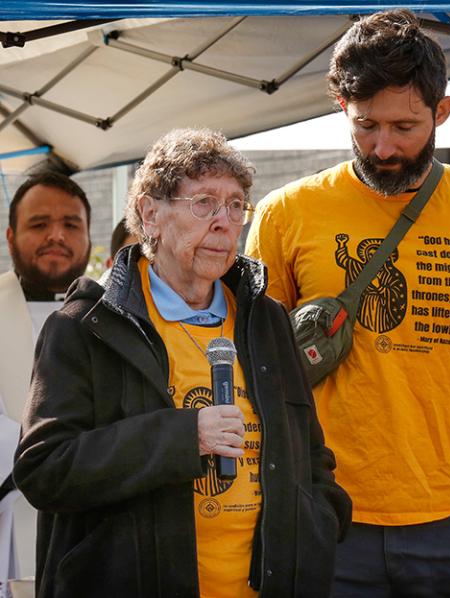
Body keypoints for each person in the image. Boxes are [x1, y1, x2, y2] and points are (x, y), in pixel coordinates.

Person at [13, 128, 351, 598]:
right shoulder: (85, 326)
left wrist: (317, 524)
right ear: (151, 213)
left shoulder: (266, 319)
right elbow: (45, 469)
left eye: (236, 206)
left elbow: (310, 454)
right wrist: (183, 437)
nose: (224, 222)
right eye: (204, 202)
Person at [246, 10, 450, 597]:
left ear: (442, 114)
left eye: (405, 126)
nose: (384, 147)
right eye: (365, 124)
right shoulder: (285, 213)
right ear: (341, 111)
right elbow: (257, 361)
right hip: (329, 509)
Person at [0, 171, 91, 589]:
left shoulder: (119, 316)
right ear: (10, 236)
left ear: (89, 238)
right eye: (39, 224)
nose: (56, 235)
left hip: (93, 538)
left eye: (71, 224)